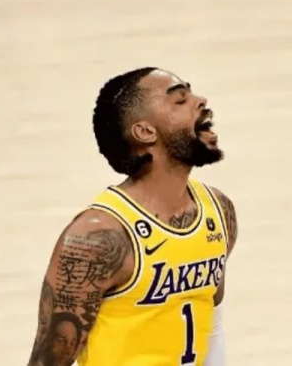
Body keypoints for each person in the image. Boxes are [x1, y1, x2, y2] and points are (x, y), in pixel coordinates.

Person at [26, 67, 239, 366]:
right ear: (145, 132)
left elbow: (211, 326)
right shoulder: (97, 238)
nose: (200, 101)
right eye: (180, 100)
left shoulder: (218, 210)